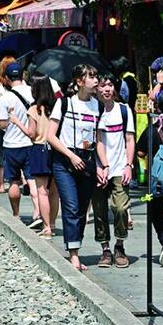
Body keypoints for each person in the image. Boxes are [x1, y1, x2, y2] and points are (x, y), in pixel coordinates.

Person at [47, 65, 101, 272]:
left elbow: (100, 137)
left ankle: (76, 242)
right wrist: (70, 156)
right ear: (79, 81)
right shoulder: (64, 103)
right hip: (64, 160)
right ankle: (74, 254)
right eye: (91, 77)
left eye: (96, 76)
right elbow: (51, 136)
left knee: (82, 208)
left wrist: (102, 164)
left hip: (88, 159)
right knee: (70, 205)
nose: (95, 81)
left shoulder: (98, 106)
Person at [94, 74, 135, 268]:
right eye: (103, 85)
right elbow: (98, 141)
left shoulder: (125, 110)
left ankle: (120, 245)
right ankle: (105, 249)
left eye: (110, 85)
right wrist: (102, 166)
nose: (107, 89)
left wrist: (129, 165)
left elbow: (129, 139)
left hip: (119, 167)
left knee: (120, 208)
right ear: (97, 89)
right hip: (100, 168)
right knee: (100, 210)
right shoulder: (95, 111)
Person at [10, 75, 58, 239]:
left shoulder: (34, 109)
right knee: (54, 192)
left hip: (39, 149)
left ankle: (46, 228)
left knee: (41, 191)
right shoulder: (56, 107)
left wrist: (17, 122)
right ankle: (52, 223)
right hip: (56, 149)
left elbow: (31, 133)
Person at [136, 91, 163, 266]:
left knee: (156, 213)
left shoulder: (152, 128)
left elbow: (140, 152)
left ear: (158, 106)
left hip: (157, 182)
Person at [0, 63, 36, 219]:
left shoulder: (5, 97)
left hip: (11, 145)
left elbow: (3, 123)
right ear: (23, 75)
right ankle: (38, 213)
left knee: (14, 181)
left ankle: (16, 214)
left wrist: (1, 122)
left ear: (6, 78)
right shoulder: (33, 92)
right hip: (30, 142)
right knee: (33, 181)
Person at [0, 56, 17, 193]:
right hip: (18, 123)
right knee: (19, 151)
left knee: (0, 153)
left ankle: (1, 185)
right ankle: (22, 181)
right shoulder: (19, 85)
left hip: (2, 123)